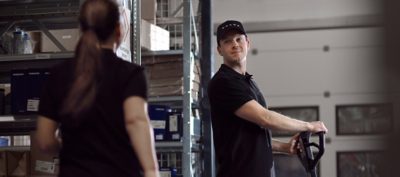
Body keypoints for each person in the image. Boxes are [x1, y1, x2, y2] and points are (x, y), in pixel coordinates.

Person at [35, 0, 159, 177]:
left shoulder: (58, 75)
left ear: (81, 30)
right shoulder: (130, 74)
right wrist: (151, 171)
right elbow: (136, 120)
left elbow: (45, 141)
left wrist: (69, 147)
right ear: (118, 30)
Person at [208, 20, 328, 177]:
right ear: (219, 50)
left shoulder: (248, 83)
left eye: (238, 39)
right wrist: (308, 126)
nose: (235, 44)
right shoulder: (223, 82)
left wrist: (283, 147)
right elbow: (265, 118)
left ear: (248, 43)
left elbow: (249, 137)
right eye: (227, 41)